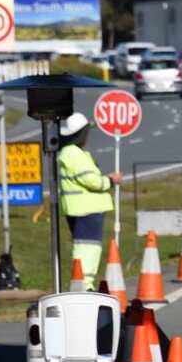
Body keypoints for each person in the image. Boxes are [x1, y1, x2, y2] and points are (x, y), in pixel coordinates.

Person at [57, 112, 119, 290]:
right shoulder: (73, 153)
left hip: (82, 209)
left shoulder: (71, 152)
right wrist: (110, 181)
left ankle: (83, 283)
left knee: (88, 248)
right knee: (88, 248)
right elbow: (91, 180)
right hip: (86, 209)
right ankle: (84, 285)